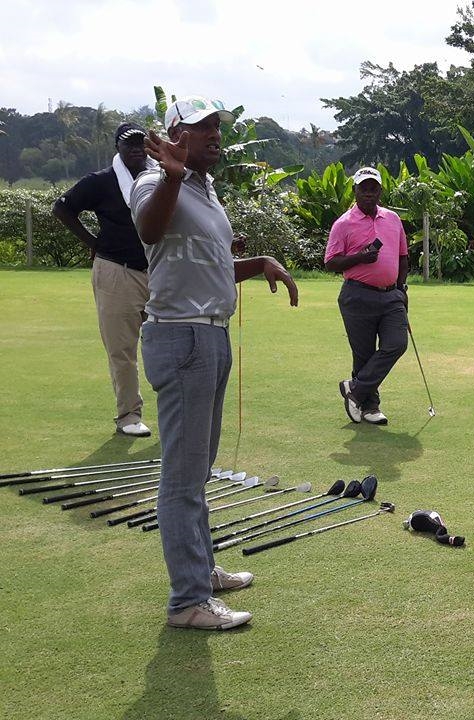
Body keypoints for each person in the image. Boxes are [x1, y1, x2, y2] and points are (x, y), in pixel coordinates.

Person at [132, 95, 298, 630]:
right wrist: (173, 177)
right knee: (182, 477)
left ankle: (200, 573)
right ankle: (188, 601)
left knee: (198, 469)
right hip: (182, 340)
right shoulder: (156, 183)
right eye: (202, 128)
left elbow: (211, 266)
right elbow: (149, 232)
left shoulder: (205, 189)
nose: (215, 135)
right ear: (175, 136)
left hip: (211, 339)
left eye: (217, 127)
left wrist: (260, 262)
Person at [52, 123, 155, 437]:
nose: (137, 149)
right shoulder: (101, 181)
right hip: (116, 271)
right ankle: (128, 416)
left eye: (141, 144)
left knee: (168, 344)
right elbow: (62, 208)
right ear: (118, 148)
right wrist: (91, 241)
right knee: (121, 349)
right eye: (129, 145)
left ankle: (177, 413)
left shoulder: (160, 178)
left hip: (159, 272)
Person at [326, 167, 409, 425]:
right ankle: (370, 407)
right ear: (355, 191)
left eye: (374, 188)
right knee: (363, 354)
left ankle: (354, 389)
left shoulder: (393, 219)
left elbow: (403, 256)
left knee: (397, 343)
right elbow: (331, 263)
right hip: (357, 295)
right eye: (364, 188)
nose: (369, 193)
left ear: (380, 191)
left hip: (391, 295)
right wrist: (360, 257)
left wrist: (401, 287)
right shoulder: (343, 223)